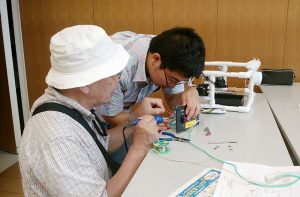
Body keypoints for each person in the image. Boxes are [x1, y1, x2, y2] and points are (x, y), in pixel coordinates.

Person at [19, 25, 163, 196]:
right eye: (114, 74)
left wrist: (135, 120)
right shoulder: (58, 137)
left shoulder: (72, 105)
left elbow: (100, 146)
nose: (118, 80)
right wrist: (138, 149)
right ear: (84, 83)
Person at [98, 27, 205, 127]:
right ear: (155, 59)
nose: (173, 85)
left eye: (181, 82)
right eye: (173, 80)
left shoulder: (170, 54)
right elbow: (111, 116)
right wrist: (148, 121)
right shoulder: (117, 70)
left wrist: (190, 94)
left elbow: (173, 97)